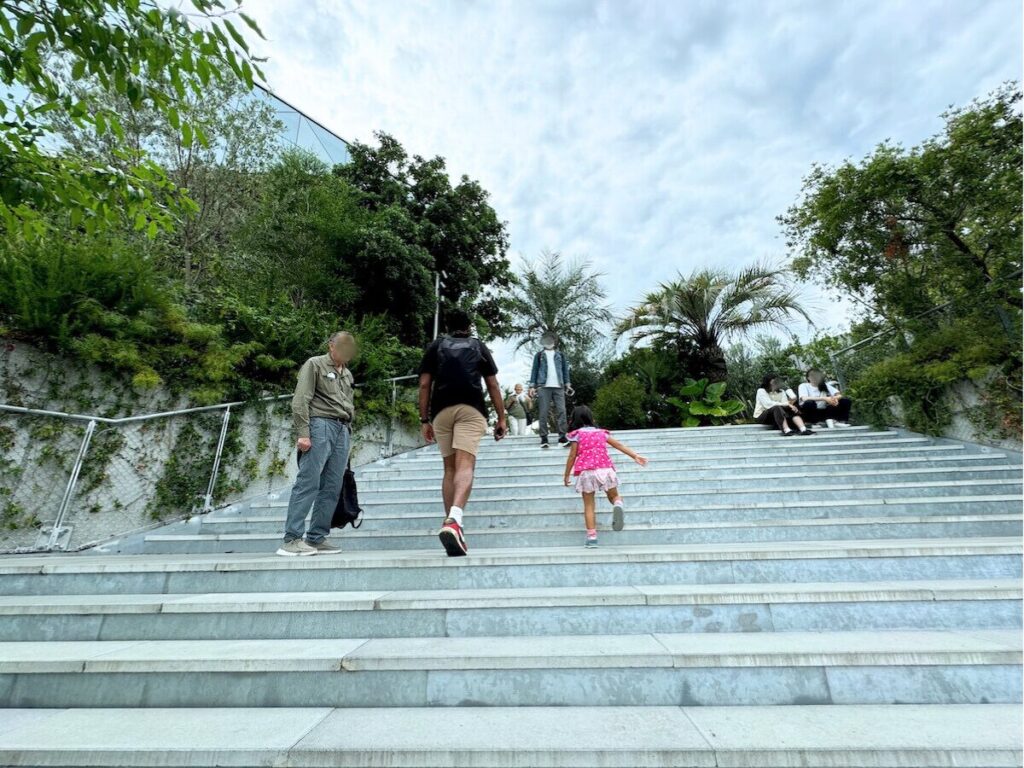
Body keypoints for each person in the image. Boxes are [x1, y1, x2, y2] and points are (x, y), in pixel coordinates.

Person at [418, 309, 507, 557]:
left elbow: (425, 384)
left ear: (447, 326)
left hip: (441, 411)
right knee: (465, 465)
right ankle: (455, 519)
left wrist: (424, 419)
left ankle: (453, 524)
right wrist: (501, 417)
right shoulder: (478, 346)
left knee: (449, 469)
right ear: (469, 326)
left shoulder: (436, 346)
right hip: (471, 408)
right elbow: (492, 384)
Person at [276, 331, 357, 556]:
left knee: (332, 486)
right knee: (308, 481)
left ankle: (316, 537)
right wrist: (303, 432)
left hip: (342, 429)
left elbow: (348, 403)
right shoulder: (315, 364)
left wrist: (348, 429)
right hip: (319, 425)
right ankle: (291, 539)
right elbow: (301, 399)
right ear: (331, 346)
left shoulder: (347, 374)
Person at [562, 405, 648, 548]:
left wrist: (566, 475)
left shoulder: (577, 435)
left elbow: (572, 456)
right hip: (606, 470)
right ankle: (618, 504)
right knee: (614, 496)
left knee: (589, 505)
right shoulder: (602, 433)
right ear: (591, 417)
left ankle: (592, 538)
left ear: (574, 419)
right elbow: (619, 445)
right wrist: (635, 456)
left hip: (587, 472)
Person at [528, 331, 573, 449]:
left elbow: (565, 370)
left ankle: (562, 437)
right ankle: (544, 438)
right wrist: (532, 386)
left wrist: (568, 384)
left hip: (559, 386)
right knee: (543, 412)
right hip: (543, 386)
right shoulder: (539, 355)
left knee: (562, 411)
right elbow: (534, 370)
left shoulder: (560, 355)